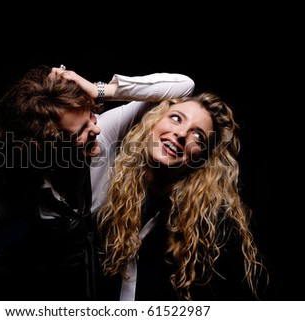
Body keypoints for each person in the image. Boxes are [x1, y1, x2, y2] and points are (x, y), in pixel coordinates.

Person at [0, 64, 195, 300]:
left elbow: (184, 85)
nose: (96, 129)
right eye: (80, 132)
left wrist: (99, 90)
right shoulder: (23, 195)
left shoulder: (105, 133)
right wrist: (10, 270)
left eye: (91, 117)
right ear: (47, 149)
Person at [97, 92, 268, 300]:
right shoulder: (110, 194)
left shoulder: (210, 220)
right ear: (153, 121)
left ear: (201, 158)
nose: (180, 134)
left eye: (198, 136)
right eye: (176, 118)